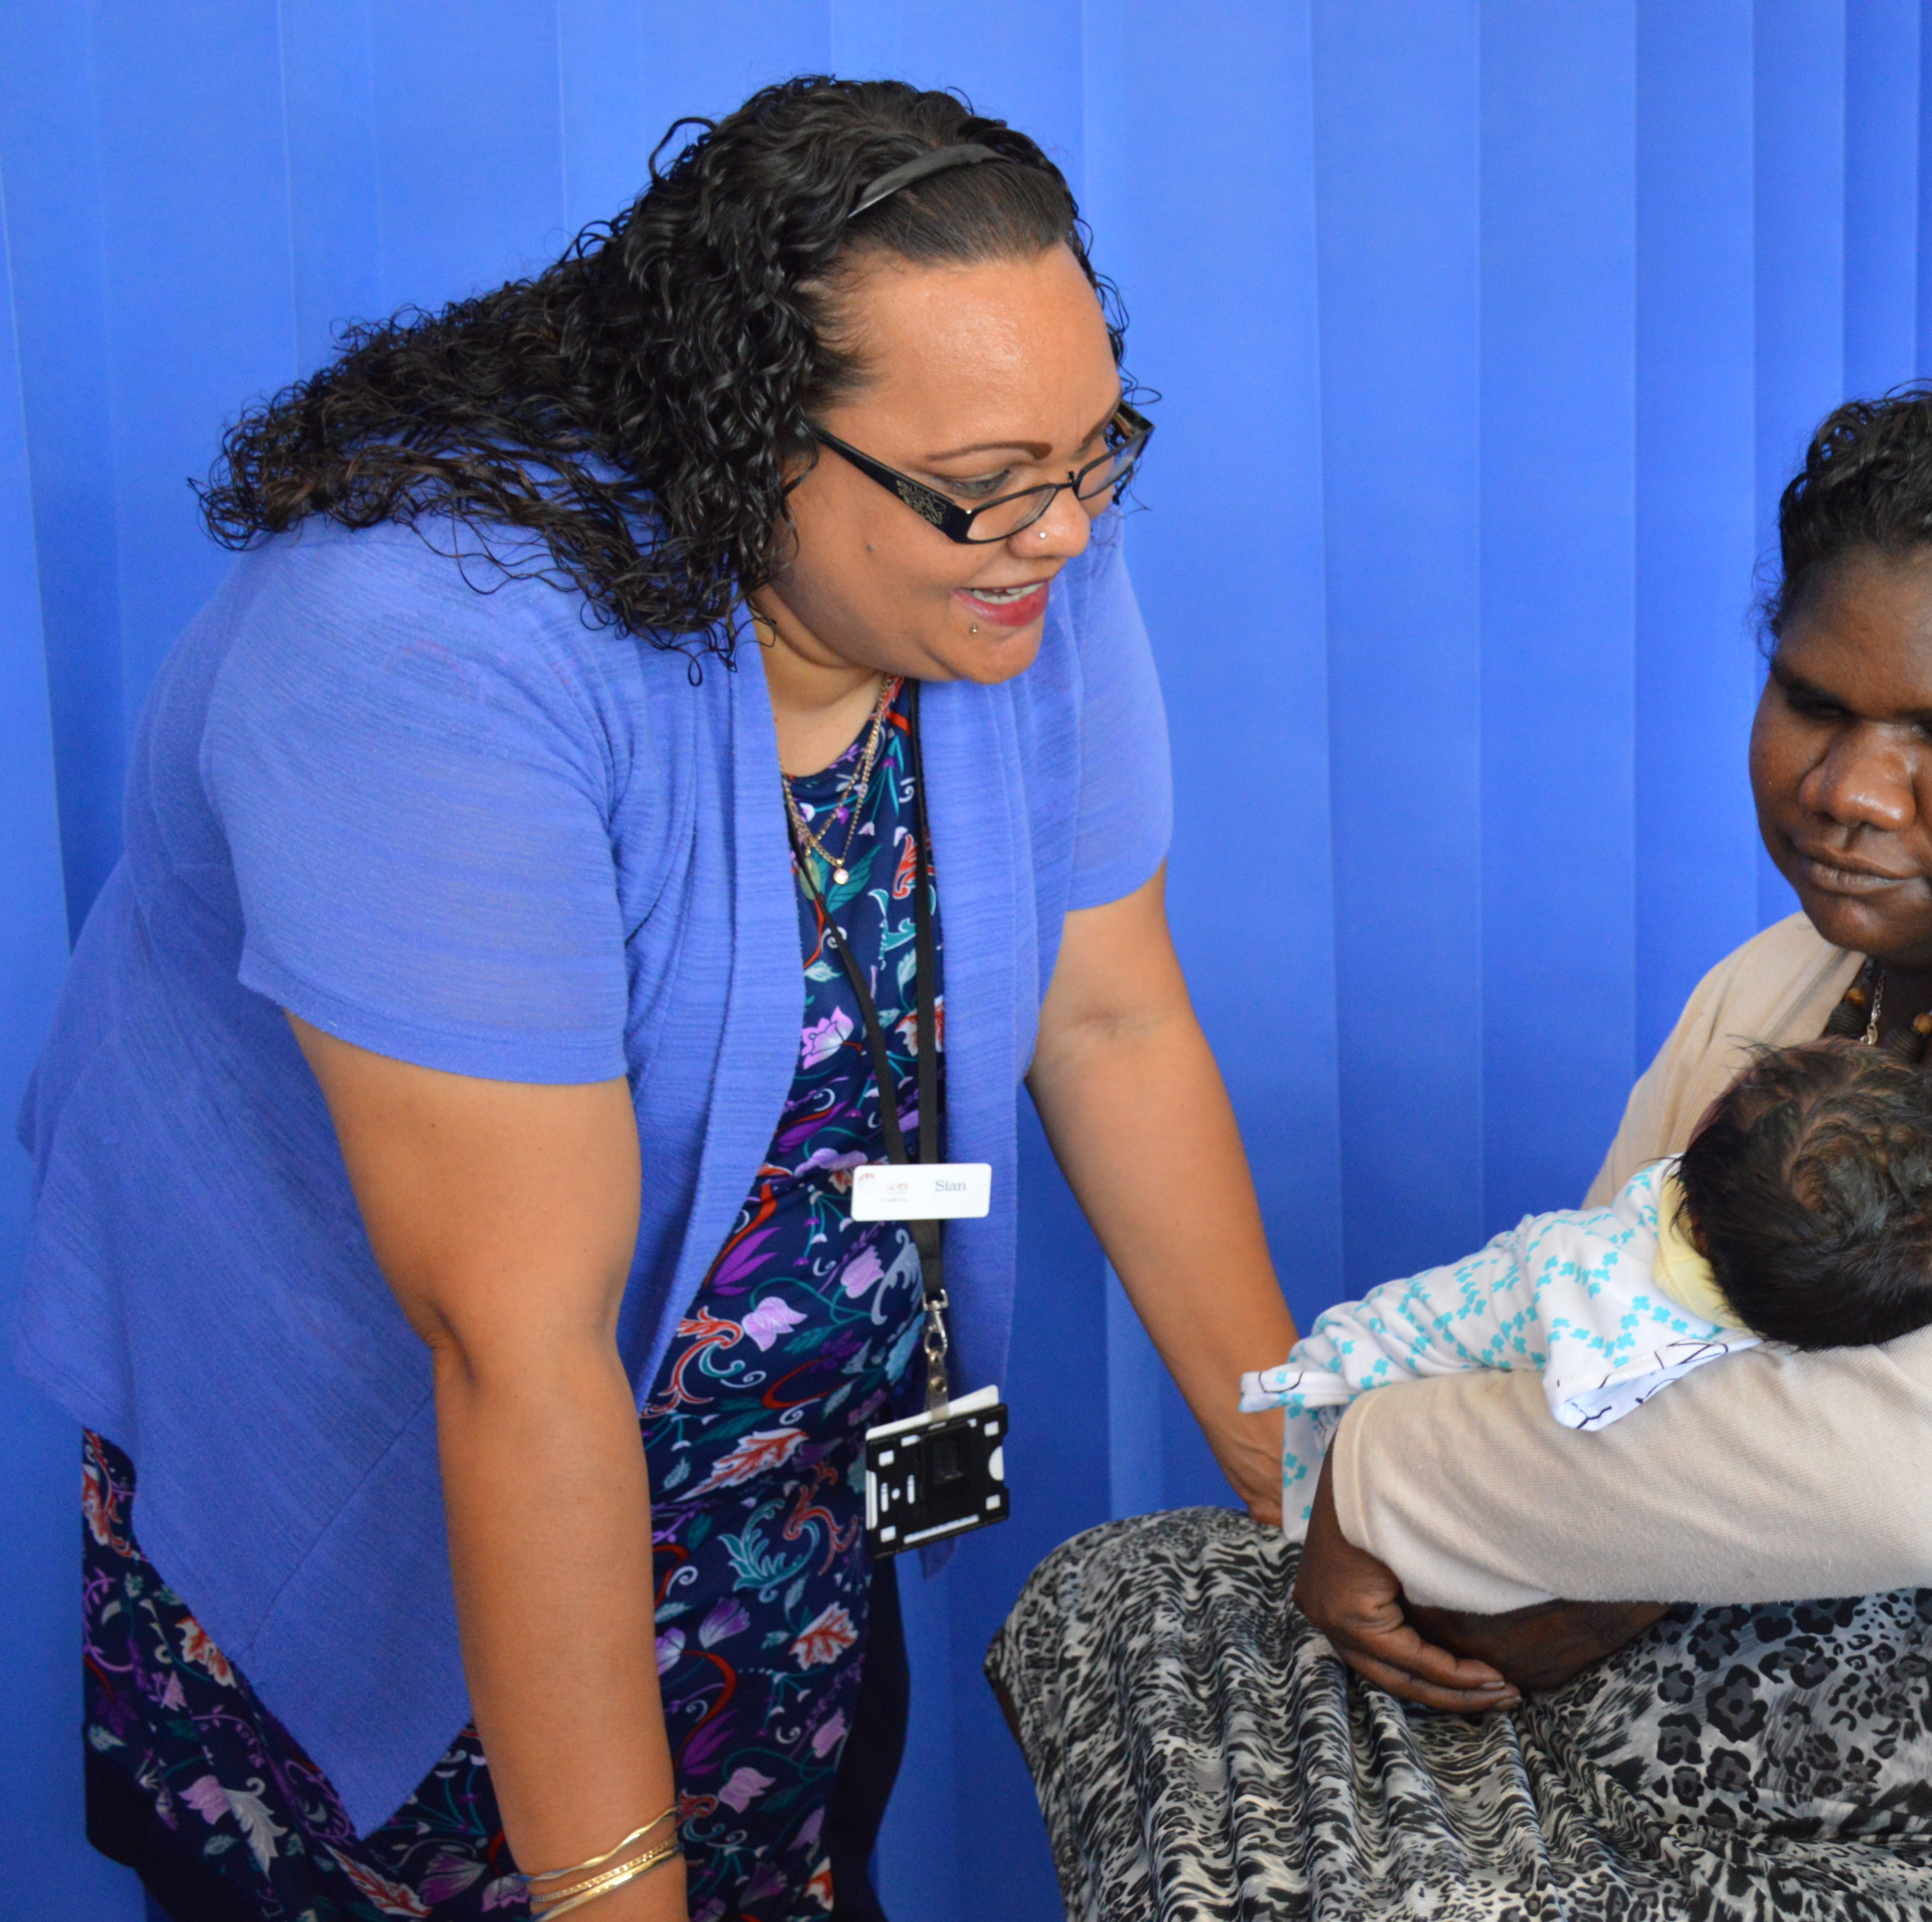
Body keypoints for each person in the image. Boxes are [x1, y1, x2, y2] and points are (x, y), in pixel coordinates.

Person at [991, 205, 1932, 1922]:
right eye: (1813, 704)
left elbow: (1927, 1472)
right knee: (1127, 1601)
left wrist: (1388, 1481)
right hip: (1760, 1695)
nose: (1851, 791)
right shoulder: (1786, 987)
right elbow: (1597, 1359)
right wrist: (1540, 1566)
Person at [17, 78, 1298, 1922]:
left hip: (775, 1546)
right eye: (992, 486)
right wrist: (616, 1893)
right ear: (743, 435)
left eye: (1099, 454)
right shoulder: (422, 650)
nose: (1070, 539)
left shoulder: (993, 567)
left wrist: (1316, 1488)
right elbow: (510, 1346)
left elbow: (1108, 1021)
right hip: (421, 1554)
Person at [1242, 1038, 1932, 1539]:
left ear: (1696, 1226)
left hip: (1382, 1361)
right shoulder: (1802, 1287)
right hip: (1380, 1351)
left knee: (1328, 1482)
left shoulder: (1624, 1311)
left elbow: (1585, 1412)